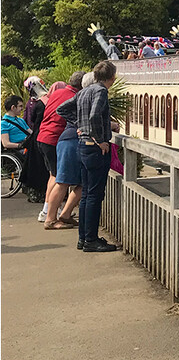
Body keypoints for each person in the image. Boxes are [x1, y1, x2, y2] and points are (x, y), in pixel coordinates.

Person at [62, 61, 119, 253]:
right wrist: (99, 139)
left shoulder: (83, 91)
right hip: (95, 149)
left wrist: (80, 125)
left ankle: (83, 238)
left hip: (82, 146)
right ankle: (91, 240)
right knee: (95, 195)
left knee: (86, 194)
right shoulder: (101, 91)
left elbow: (61, 109)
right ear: (112, 77)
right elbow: (95, 115)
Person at [38, 73, 86, 229]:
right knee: (61, 180)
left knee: (55, 176)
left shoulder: (58, 92)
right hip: (56, 137)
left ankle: (50, 212)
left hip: (44, 135)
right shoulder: (76, 98)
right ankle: (49, 217)